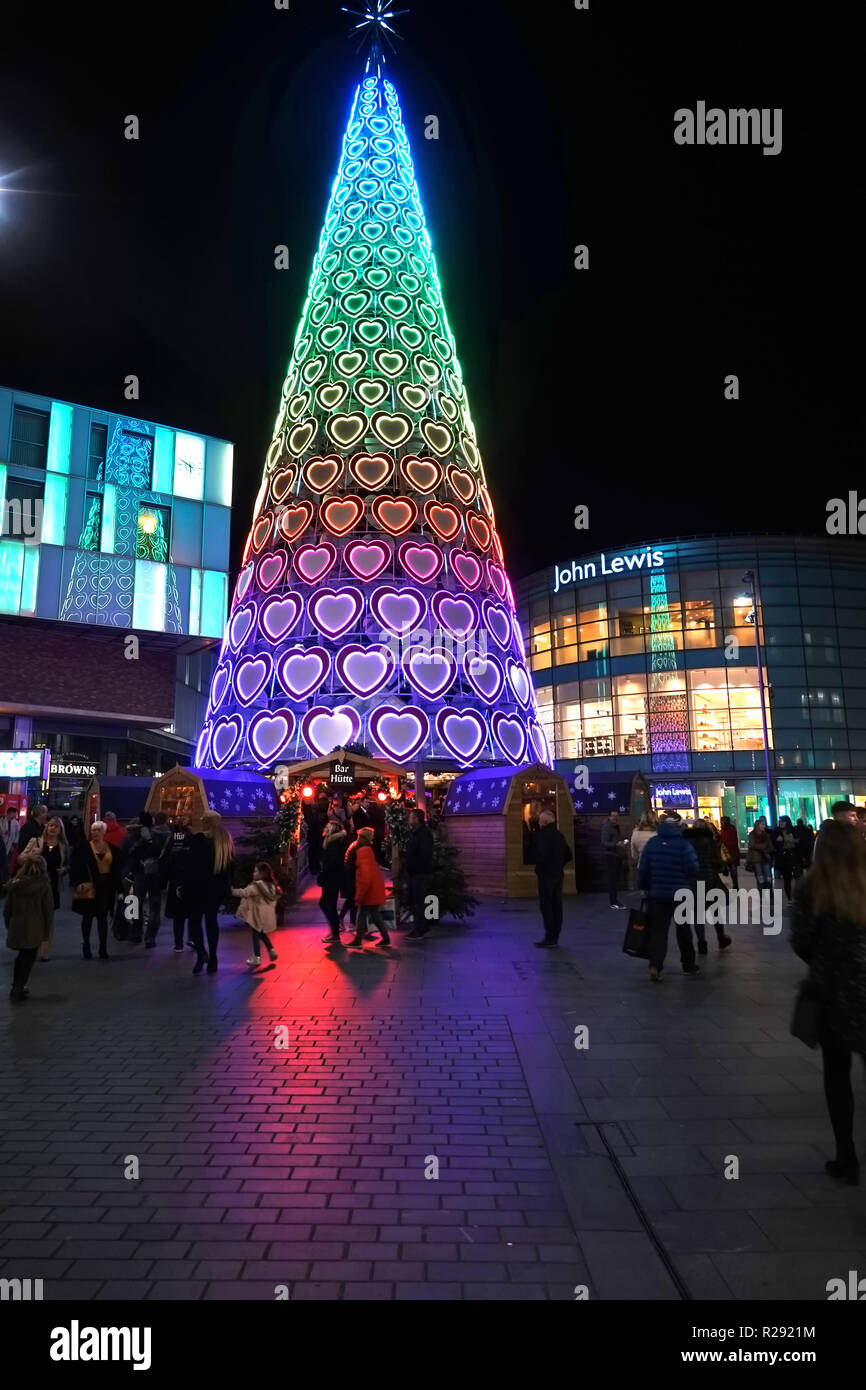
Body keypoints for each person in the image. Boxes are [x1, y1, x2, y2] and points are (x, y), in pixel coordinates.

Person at [791, 820, 866, 1185]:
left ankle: (846, 1156)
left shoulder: (809, 888)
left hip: (831, 995)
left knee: (836, 1077)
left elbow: (801, 942)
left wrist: (826, 959)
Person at [638, 812, 701, 981]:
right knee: (684, 931)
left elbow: (643, 869)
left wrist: (644, 887)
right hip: (681, 894)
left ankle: (655, 965)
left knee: (658, 932)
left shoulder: (652, 843)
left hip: (657, 895)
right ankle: (688, 965)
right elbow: (693, 869)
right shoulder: (683, 845)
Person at [187, 811, 234, 975]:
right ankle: (213, 957)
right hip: (217, 888)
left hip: (198, 888)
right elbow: (230, 866)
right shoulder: (225, 839)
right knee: (211, 921)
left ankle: (201, 954)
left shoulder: (199, 840)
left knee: (194, 922)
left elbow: (192, 865)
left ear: (206, 822)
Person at [4, 852, 54, 1001]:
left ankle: (16, 986)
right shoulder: (43, 884)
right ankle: (19, 987)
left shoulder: (15, 885)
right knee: (29, 957)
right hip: (35, 926)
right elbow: (48, 909)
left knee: (21, 957)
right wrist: (47, 932)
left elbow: (7, 908)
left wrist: (9, 924)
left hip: (17, 925)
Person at [70, 819, 120, 960]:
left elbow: (115, 869)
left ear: (104, 832)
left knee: (102, 919)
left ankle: (103, 948)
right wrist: (77, 883)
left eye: (98, 830)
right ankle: (86, 945)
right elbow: (75, 867)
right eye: (93, 830)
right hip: (89, 887)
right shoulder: (83, 848)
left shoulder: (111, 848)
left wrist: (120, 889)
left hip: (105, 889)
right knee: (87, 918)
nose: (95, 832)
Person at [683, 819, 732, 954]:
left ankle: (701, 942)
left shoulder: (686, 843)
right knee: (715, 911)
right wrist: (720, 868)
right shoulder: (711, 842)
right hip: (710, 880)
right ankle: (721, 937)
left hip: (693, 880)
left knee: (698, 913)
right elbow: (717, 861)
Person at [533, 809, 573, 948]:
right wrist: (559, 864)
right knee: (557, 905)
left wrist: (540, 867)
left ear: (543, 822)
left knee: (546, 905)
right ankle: (555, 936)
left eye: (539, 820)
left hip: (546, 875)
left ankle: (549, 936)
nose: (538, 823)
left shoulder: (543, 836)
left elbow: (540, 855)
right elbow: (568, 854)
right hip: (558, 874)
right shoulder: (559, 835)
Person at [348, 827, 391, 949]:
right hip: (374, 887)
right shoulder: (368, 850)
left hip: (369, 890)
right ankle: (385, 938)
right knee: (374, 915)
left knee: (362, 914)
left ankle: (358, 940)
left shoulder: (363, 851)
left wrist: (360, 894)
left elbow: (365, 875)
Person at [33, 816, 67, 961]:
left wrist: (64, 870)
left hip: (53, 885)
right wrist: (35, 855)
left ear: (60, 830)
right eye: (51, 825)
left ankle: (45, 951)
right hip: (36, 885)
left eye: (56, 826)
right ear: (46, 827)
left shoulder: (63, 846)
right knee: (36, 917)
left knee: (49, 919)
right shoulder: (37, 842)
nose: (53, 828)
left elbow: (67, 864)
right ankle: (33, 946)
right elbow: (23, 859)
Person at [233, 861, 280, 967]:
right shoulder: (271, 885)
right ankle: (271, 950)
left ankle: (257, 957)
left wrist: (231, 891)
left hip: (257, 915)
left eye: (255, 871)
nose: (253, 873)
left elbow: (244, 892)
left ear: (261, 874)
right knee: (261, 933)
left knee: (255, 934)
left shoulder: (256, 886)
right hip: (267, 915)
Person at [404, 808, 436, 940]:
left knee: (419, 901)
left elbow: (424, 854)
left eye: (411, 817)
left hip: (420, 873)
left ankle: (421, 928)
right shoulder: (415, 833)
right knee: (414, 900)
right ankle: (418, 927)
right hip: (414, 873)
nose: (409, 820)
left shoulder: (423, 834)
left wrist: (414, 865)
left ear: (417, 819)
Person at [165, 815, 194, 952]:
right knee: (192, 912)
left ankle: (178, 944)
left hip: (176, 880)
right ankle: (192, 939)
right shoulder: (193, 838)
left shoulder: (172, 839)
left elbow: (165, 858)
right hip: (189, 879)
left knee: (178, 916)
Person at [319, 818, 348, 946]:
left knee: (328, 904)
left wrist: (323, 874)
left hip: (331, 879)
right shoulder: (333, 843)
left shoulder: (333, 844)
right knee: (327, 904)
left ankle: (335, 932)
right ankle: (335, 930)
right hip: (332, 879)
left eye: (327, 826)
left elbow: (331, 863)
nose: (325, 828)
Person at [601, 810, 628, 909]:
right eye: (613, 816)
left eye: (616, 816)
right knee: (612, 879)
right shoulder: (607, 827)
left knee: (615, 879)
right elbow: (604, 842)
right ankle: (613, 901)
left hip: (616, 855)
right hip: (611, 856)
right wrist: (616, 844)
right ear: (609, 816)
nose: (615, 818)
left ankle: (614, 900)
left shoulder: (615, 826)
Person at [772, 814, 801, 901]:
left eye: (782, 821)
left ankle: (798, 895)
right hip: (783, 856)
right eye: (779, 821)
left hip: (794, 855)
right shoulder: (777, 831)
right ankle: (789, 897)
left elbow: (798, 841)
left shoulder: (793, 830)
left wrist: (786, 840)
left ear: (787, 822)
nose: (781, 823)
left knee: (798, 876)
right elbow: (774, 843)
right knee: (786, 878)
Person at [747, 817, 774, 896]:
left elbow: (770, 846)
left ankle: (769, 891)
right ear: (757, 825)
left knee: (768, 876)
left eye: (764, 825)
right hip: (756, 858)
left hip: (766, 857)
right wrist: (764, 846)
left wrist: (767, 849)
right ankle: (762, 892)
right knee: (760, 876)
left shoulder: (766, 834)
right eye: (762, 825)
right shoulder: (752, 834)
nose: (764, 826)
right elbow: (752, 845)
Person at [630, 812, 658, 887]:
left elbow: (634, 855)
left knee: (647, 892)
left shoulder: (636, 833)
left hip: (643, 866)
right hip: (658, 867)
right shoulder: (658, 833)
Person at [339, 833, 360, 933]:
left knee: (352, 900)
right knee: (352, 899)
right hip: (352, 877)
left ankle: (351, 922)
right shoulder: (357, 847)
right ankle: (350, 922)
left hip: (350, 877)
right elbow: (354, 864)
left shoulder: (353, 845)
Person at [719, 815, 741, 889]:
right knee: (732, 869)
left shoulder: (730, 829)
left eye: (722, 821)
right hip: (728, 852)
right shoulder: (724, 829)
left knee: (733, 870)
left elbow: (733, 841)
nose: (721, 822)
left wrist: (723, 844)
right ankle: (735, 885)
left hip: (731, 853)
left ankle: (735, 885)